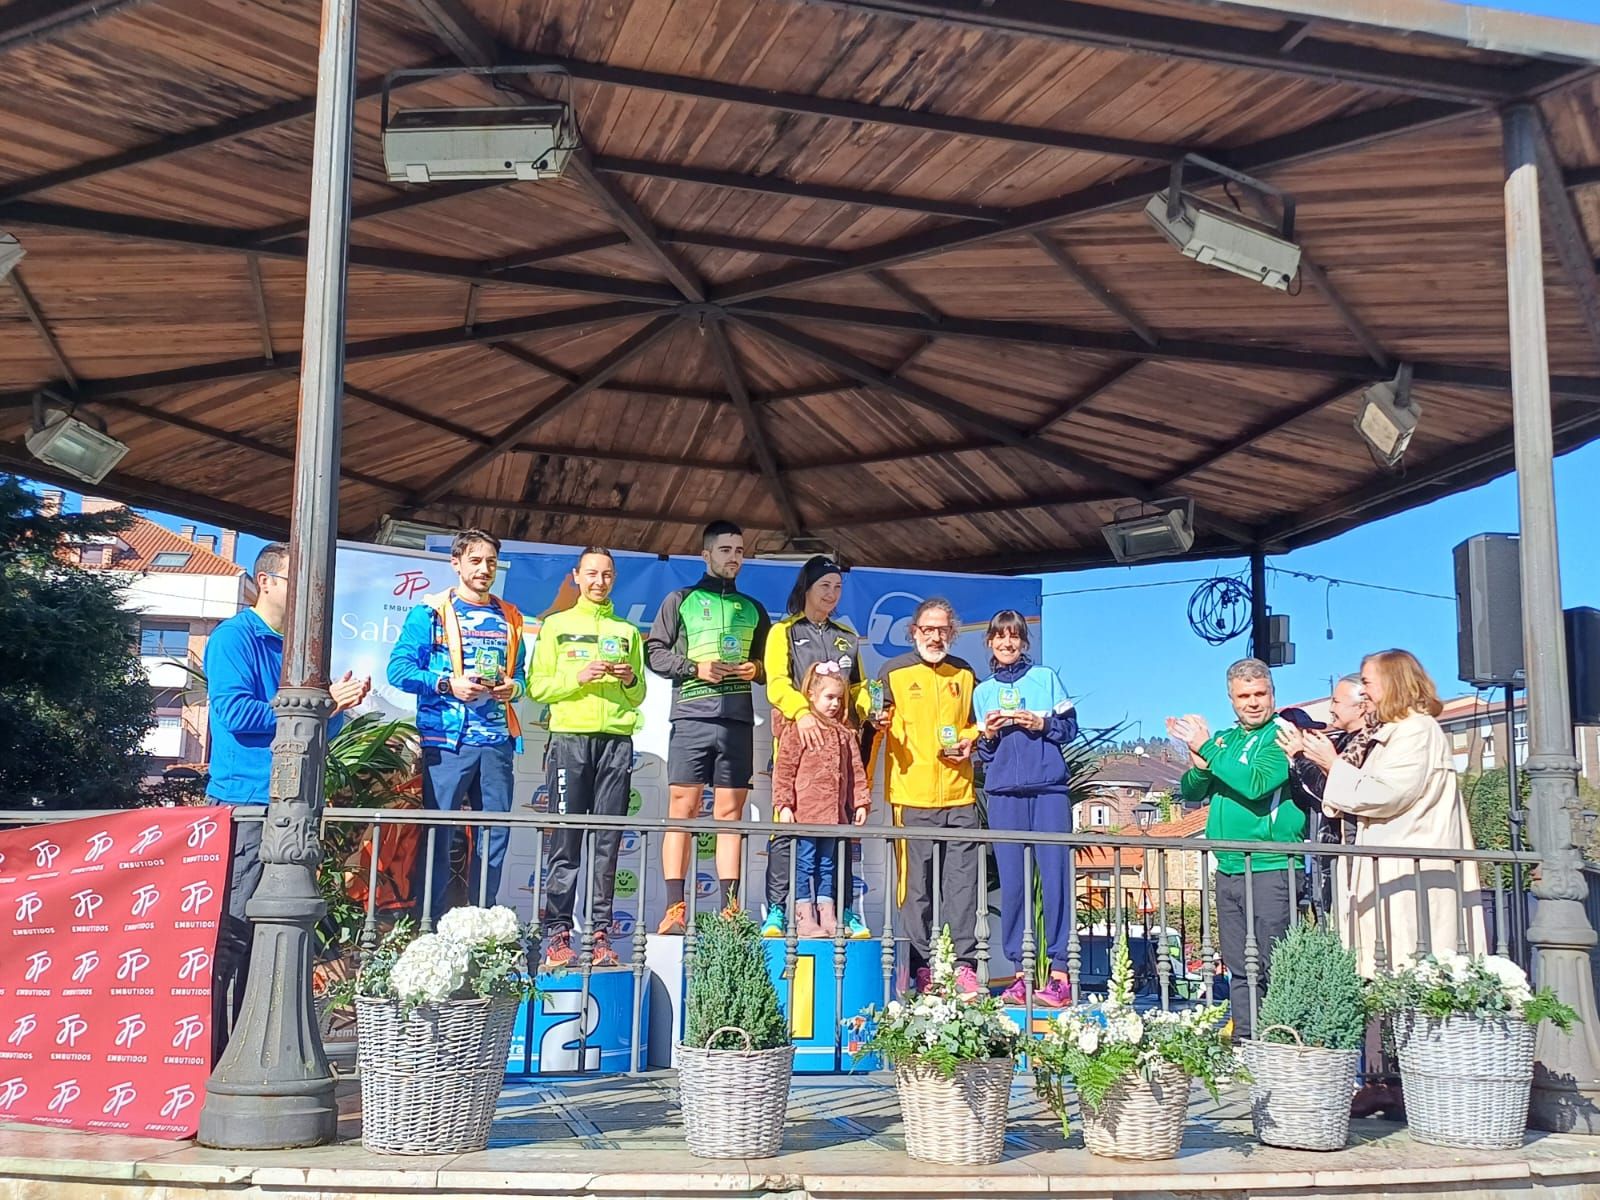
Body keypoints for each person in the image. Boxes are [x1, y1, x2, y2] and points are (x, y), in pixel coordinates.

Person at [205, 541, 368, 1052]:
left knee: (267, 938)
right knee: (231, 936)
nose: (306, 593)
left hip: (292, 808)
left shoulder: (300, 651)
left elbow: (310, 733)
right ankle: (213, 1056)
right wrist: (319, 705)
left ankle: (253, 1051)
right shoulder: (235, 637)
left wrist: (335, 709)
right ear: (268, 582)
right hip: (247, 803)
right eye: (296, 579)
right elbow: (236, 716)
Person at [1281, 650, 1485, 977]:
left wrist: (1331, 764)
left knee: (1409, 965)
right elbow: (1355, 793)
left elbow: (1386, 793)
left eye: (1368, 683)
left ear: (1392, 685)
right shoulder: (1394, 732)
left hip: (1409, 868)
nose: (1365, 696)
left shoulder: (1416, 731)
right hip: (1386, 865)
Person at [387, 529, 528, 921]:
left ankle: (484, 927)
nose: (484, 570)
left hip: (496, 741)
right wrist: (449, 684)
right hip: (446, 741)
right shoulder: (429, 612)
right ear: (456, 564)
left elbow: (522, 678)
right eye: (476, 561)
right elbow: (398, 670)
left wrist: (512, 688)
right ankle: (426, 927)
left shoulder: (510, 616)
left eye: (491, 563)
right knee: (439, 834)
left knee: (494, 837)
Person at [1169, 657, 1303, 1041]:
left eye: (1260, 693)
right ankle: (1246, 1040)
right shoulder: (1227, 741)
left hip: (1271, 865)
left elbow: (1256, 783)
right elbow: (1193, 791)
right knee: (1239, 965)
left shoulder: (1282, 736)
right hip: (1228, 865)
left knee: (1274, 962)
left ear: (1273, 694)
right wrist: (1200, 762)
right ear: (1231, 699)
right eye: (1244, 696)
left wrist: (1208, 749)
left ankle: (1279, 1041)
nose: (1253, 702)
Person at [523, 547, 646, 969]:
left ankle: (600, 936)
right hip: (569, 740)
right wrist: (577, 677)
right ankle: (557, 935)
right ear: (576, 576)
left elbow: (640, 693)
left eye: (607, 574)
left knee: (608, 843)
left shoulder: (627, 631)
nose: (599, 581)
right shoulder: (556, 627)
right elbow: (537, 687)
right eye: (591, 574)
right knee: (566, 841)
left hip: (615, 741)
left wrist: (628, 678)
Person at [646, 520, 771, 932]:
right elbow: (654, 654)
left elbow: (772, 668)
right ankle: (674, 908)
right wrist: (693, 666)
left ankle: (730, 910)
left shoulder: (754, 607)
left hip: (736, 719)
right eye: (725, 550)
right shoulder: (680, 599)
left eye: (738, 551)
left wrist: (755, 669)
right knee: (681, 810)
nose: (733, 557)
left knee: (730, 815)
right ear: (706, 555)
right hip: (691, 716)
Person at [761, 555, 871, 939]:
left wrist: (871, 710)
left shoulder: (847, 635)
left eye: (838, 587)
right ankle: (778, 908)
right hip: (798, 743)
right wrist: (801, 713)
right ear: (806, 587)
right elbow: (775, 683)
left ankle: (840, 909)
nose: (832, 593)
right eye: (825, 585)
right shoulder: (785, 632)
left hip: (837, 753)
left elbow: (857, 689)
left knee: (836, 836)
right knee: (787, 831)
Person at [876, 597, 982, 995]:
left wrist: (969, 741)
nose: (935, 636)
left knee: (962, 888)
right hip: (911, 794)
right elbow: (875, 721)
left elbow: (976, 725)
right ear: (914, 631)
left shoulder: (966, 673)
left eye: (942, 629)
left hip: (960, 795)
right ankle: (922, 967)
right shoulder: (894, 672)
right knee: (915, 889)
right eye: (927, 629)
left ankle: (962, 966)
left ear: (951, 633)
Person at [972, 610, 1078, 1008]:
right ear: (990, 644)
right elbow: (984, 751)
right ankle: (1019, 975)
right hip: (1003, 795)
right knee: (1014, 886)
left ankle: (1060, 975)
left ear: (1024, 643)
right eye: (1000, 638)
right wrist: (990, 734)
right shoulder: (982, 692)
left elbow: (1070, 728)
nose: (1007, 644)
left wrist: (1041, 724)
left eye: (1014, 637)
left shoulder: (1046, 678)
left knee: (1054, 880)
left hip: (1049, 791)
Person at [770, 662, 871, 936]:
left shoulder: (845, 733)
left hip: (834, 817)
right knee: (804, 862)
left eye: (839, 698)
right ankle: (804, 915)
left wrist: (860, 802)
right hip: (805, 814)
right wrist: (783, 805)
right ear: (811, 696)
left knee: (828, 864)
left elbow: (856, 771)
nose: (835, 704)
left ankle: (828, 914)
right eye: (829, 697)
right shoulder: (797, 728)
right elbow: (784, 768)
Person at [1279, 675, 1378, 919]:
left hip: (1347, 848)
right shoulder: (1342, 740)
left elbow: (1332, 791)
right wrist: (1296, 763)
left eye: (1336, 701)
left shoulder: (1369, 744)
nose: (1331, 708)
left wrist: (1301, 757)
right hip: (1326, 846)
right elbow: (1307, 800)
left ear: (1361, 706)